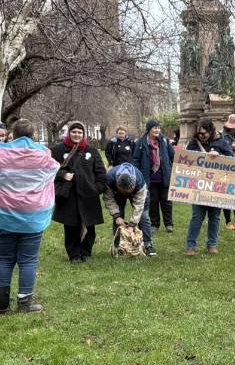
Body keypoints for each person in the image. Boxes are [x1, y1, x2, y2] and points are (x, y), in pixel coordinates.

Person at [0, 119, 59, 313]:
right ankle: (24, 304)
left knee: (4, 259)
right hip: (33, 216)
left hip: (5, 215)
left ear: (13, 134)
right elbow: (53, 170)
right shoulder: (43, 154)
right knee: (28, 261)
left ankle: (2, 305)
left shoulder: (2, 152)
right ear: (33, 135)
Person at [51, 121, 107, 263]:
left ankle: (86, 250)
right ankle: (74, 254)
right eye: (74, 132)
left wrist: (97, 188)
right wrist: (62, 175)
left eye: (80, 132)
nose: (77, 135)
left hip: (88, 194)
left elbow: (100, 172)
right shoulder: (58, 150)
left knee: (90, 225)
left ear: (83, 134)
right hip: (68, 194)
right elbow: (49, 170)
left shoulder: (91, 150)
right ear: (69, 133)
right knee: (71, 225)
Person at [184, 119, 234, 256]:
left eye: (204, 134)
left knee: (215, 217)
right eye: (199, 134)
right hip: (199, 186)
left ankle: (212, 244)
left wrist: (220, 156)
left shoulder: (221, 142)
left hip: (216, 187)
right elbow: (186, 159)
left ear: (211, 131)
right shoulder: (193, 143)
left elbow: (232, 158)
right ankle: (190, 246)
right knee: (197, 217)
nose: (201, 136)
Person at [104, 162, 155, 256]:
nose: (126, 194)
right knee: (118, 217)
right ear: (118, 185)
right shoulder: (109, 179)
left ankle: (148, 245)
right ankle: (118, 246)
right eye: (124, 191)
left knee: (144, 216)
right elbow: (109, 199)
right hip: (117, 194)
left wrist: (132, 224)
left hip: (138, 193)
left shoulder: (139, 182)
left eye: (128, 191)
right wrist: (116, 216)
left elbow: (139, 205)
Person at [133, 119, 175, 234]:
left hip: (164, 176)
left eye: (158, 128)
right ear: (149, 129)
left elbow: (173, 156)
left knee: (166, 202)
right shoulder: (141, 142)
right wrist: (137, 175)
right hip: (149, 178)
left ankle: (169, 224)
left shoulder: (165, 141)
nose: (157, 130)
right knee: (153, 202)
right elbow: (136, 160)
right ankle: (155, 224)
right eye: (154, 128)